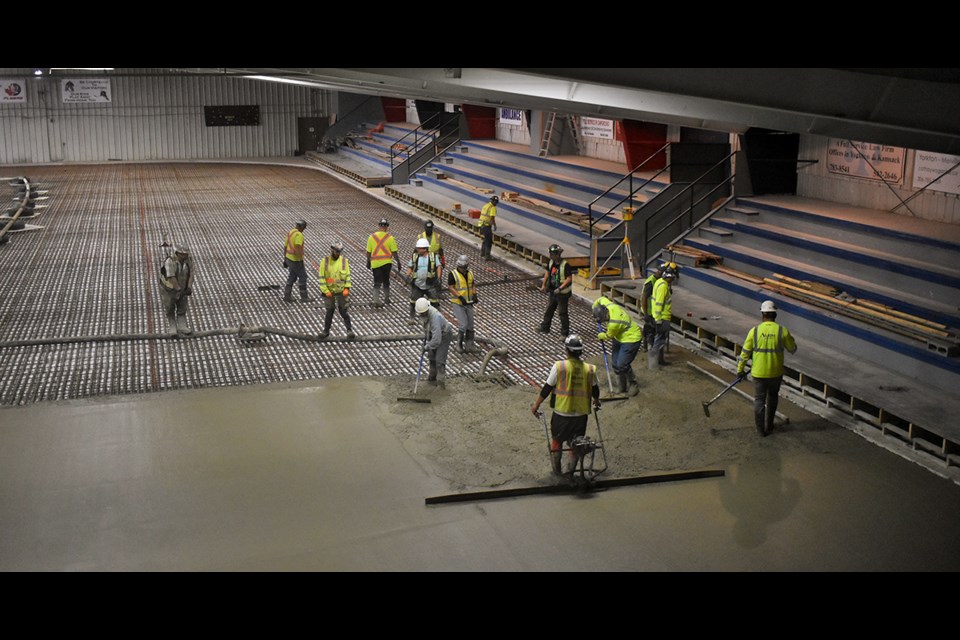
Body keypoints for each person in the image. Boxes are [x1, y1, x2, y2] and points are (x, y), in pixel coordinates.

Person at [531, 335, 601, 476]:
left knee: (557, 441)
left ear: (567, 351)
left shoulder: (560, 367)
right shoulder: (590, 369)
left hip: (562, 414)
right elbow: (595, 389)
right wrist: (597, 400)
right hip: (581, 416)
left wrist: (536, 405)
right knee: (576, 444)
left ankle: (556, 472)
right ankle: (570, 473)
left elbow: (547, 388)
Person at [737, 300, 798, 437]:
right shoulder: (782, 331)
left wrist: (740, 370)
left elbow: (745, 353)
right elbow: (792, 349)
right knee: (772, 397)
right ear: (775, 315)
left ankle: (760, 430)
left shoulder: (755, 331)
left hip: (759, 373)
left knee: (759, 400)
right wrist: (790, 339)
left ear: (762, 314)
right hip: (775, 373)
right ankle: (770, 426)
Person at [592, 295, 643, 396]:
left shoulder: (614, 323)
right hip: (619, 337)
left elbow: (608, 335)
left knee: (622, 364)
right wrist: (594, 307)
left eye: (603, 319)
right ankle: (622, 386)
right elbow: (600, 299)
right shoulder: (607, 305)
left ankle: (633, 384)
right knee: (615, 363)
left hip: (631, 338)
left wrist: (602, 335)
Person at [317, 241, 355, 340]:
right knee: (329, 311)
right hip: (329, 291)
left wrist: (347, 288)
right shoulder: (324, 261)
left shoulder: (344, 261)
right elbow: (321, 277)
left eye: (339, 252)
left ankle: (349, 330)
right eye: (336, 251)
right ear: (332, 250)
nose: (338, 254)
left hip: (341, 291)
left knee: (343, 311)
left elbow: (347, 275)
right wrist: (325, 291)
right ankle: (326, 331)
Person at [415, 296, 454, 389]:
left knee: (440, 360)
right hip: (433, 335)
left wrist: (427, 346)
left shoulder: (435, 317)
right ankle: (432, 378)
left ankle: (441, 384)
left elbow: (437, 340)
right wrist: (427, 341)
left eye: (422, 313)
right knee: (431, 357)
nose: (421, 315)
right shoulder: (423, 314)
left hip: (444, 335)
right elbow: (427, 328)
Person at [159, 243, 195, 334]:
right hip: (169, 289)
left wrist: (189, 287)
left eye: (186, 254)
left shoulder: (188, 260)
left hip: (182, 286)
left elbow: (191, 274)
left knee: (182, 306)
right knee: (170, 307)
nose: (186, 255)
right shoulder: (170, 261)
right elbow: (171, 277)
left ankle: (182, 326)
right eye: (183, 254)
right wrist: (178, 289)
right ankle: (172, 326)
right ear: (178, 253)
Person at [537, 244, 572, 337]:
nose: (550, 256)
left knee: (562, 313)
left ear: (558, 254)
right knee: (549, 309)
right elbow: (547, 273)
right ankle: (545, 327)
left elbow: (569, 278)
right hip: (553, 292)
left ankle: (564, 333)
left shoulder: (565, 265)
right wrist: (544, 285)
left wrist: (560, 288)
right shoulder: (551, 262)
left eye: (552, 254)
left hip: (562, 294)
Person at [447, 254, 480, 353]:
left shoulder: (470, 273)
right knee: (463, 325)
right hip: (458, 303)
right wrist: (460, 296)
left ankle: (470, 345)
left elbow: (473, 284)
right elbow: (451, 287)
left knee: (470, 325)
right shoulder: (453, 274)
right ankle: (459, 344)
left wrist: (474, 294)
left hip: (468, 303)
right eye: (461, 267)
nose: (463, 269)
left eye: (465, 267)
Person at [405, 237, 442, 324]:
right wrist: (407, 275)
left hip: (430, 283)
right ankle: (412, 318)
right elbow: (410, 267)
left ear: (425, 249)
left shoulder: (433, 257)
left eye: (419, 248)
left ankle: (436, 317)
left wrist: (439, 278)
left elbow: (438, 267)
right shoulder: (415, 256)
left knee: (434, 301)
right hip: (417, 284)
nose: (417, 250)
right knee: (413, 301)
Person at [365, 217, 398, 308]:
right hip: (387, 264)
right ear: (387, 227)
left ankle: (376, 300)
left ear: (379, 226)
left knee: (377, 282)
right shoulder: (390, 238)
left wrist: (368, 262)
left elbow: (368, 252)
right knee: (386, 281)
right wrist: (398, 262)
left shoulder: (372, 237)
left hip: (376, 264)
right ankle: (386, 298)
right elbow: (394, 252)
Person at [648, 265, 677, 369]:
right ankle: (653, 364)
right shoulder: (663, 286)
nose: (672, 281)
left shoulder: (660, 282)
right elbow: (659, 303)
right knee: (659, 340)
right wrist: (659, 319)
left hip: (660, 317)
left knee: (660, 340)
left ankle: (658, 361)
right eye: (672, 278)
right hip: (662, 318)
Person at [640, 262, 667, 350]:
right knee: (650, 330)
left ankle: (646, 347)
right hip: (649, 311)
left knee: (649, 329)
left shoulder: (657, 281)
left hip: (652, 311)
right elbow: (644, 298)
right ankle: (649, 348)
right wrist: (646, 314)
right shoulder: (651, 282)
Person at [282, 219, 310, 303]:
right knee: (303, 276)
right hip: (295, 260)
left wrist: (285, 259)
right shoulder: (299, 235)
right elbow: (298, 247)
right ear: (301, 227)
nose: (303, 230)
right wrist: (300, 260)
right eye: (303, 228)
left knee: (292, 276)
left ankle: (287, 296)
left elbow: (285, 246)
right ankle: (304, 297)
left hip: (289, 259)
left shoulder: (290, 233)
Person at [478, 195, 498, 260]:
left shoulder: (485, 206)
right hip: (486, 226)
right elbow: (492, 218)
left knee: (485, 240)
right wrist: (494, 225)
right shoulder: (493, 207)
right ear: (494, 202)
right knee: (489, 241)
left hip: (481, 225)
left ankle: (482, 253)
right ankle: (487, 256)